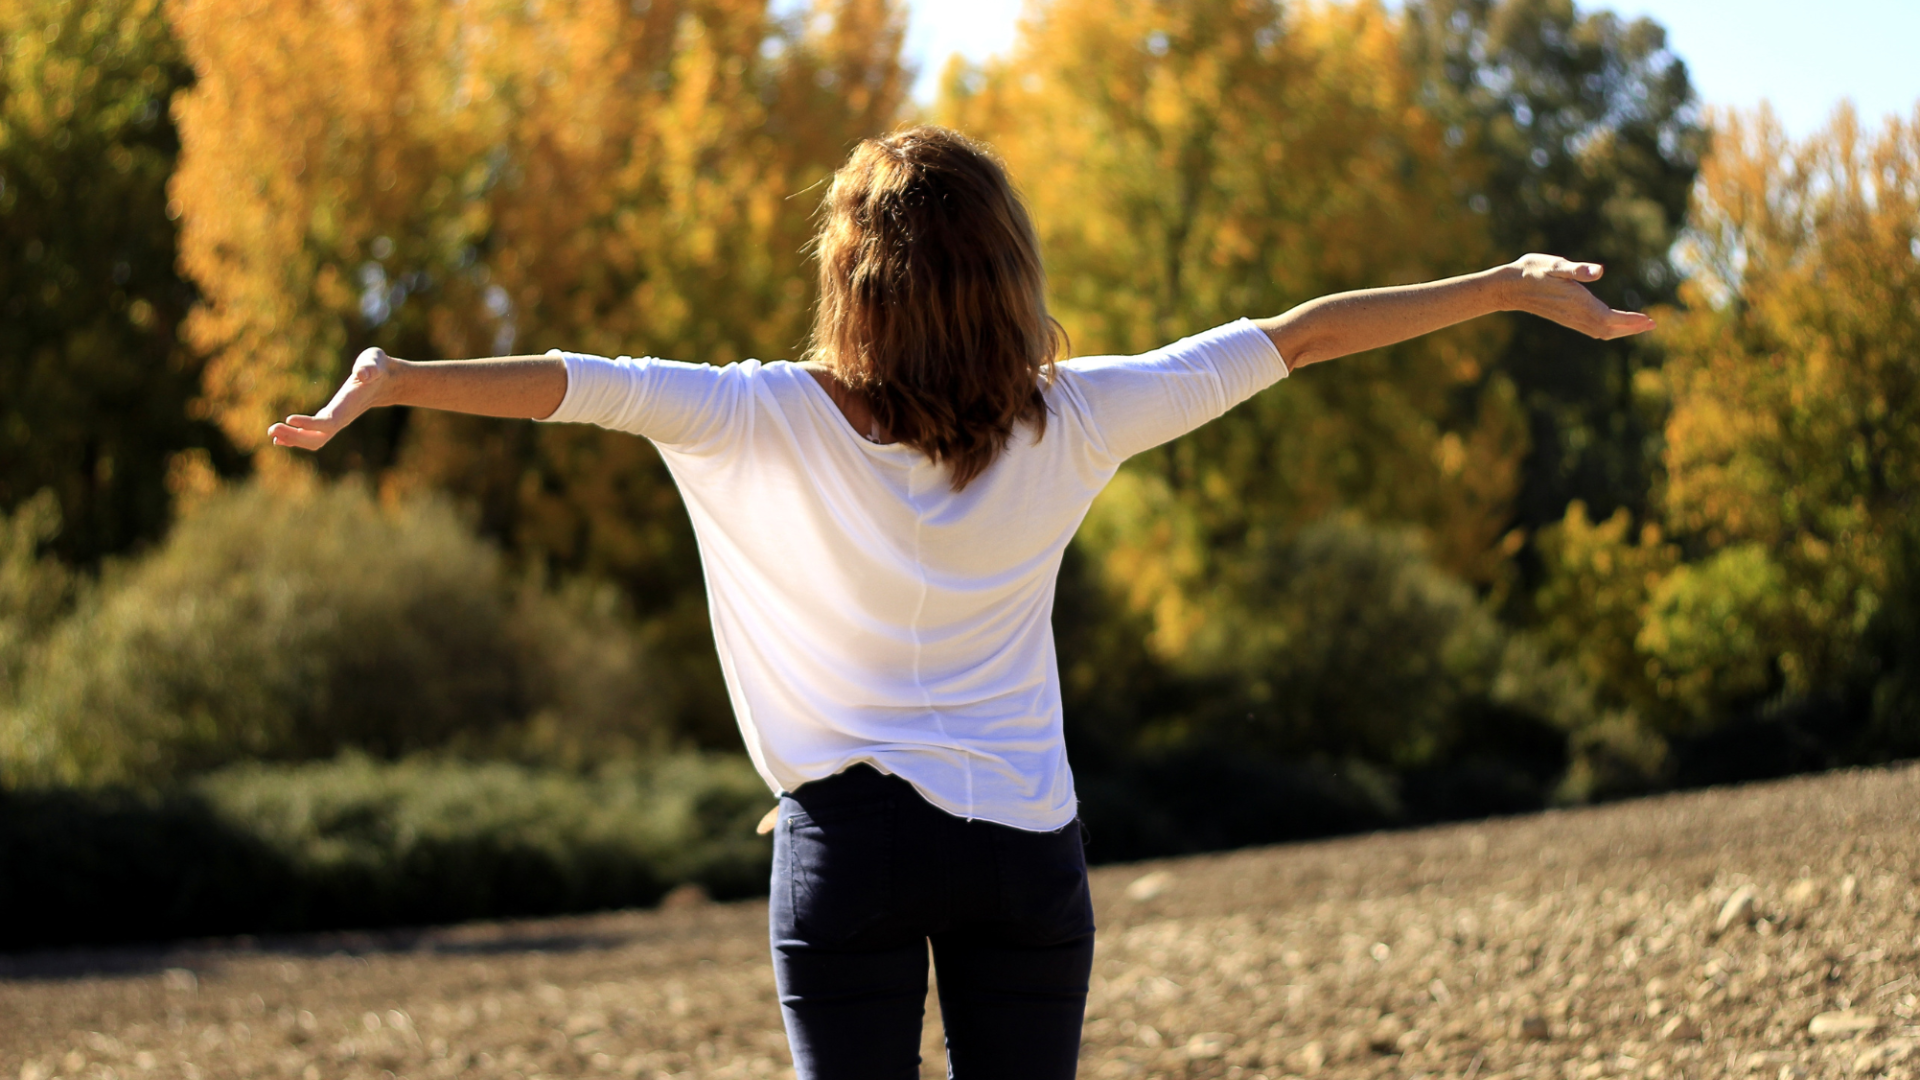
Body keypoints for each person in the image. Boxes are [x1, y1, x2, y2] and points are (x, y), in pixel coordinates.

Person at [270, 125, 1653, 1079]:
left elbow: (573, 384)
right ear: (1008, 277)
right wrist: (1505, 287)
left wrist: (395, 381)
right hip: (1024, 850)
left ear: (850, 281)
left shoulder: (757, 415)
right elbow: (1306, 335)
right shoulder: (1081, 416)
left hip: (848, 852)